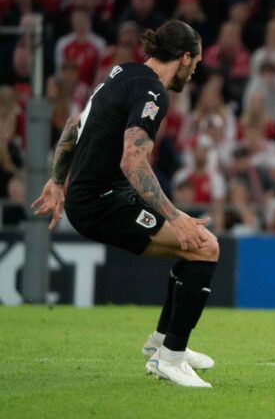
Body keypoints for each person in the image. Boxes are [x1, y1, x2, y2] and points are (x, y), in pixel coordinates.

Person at [31, 20, 218, 388]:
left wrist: (57, 180)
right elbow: (132, 161)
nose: (194, 71)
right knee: (204, 246)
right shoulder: (153, 93)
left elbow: (74, 125)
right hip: (100, 202)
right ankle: (171, 359)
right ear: (183, 58)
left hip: (100, 195)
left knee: (192, 248)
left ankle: (164, 342)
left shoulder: (122, 73)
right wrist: (174, 216)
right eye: (194, 63)